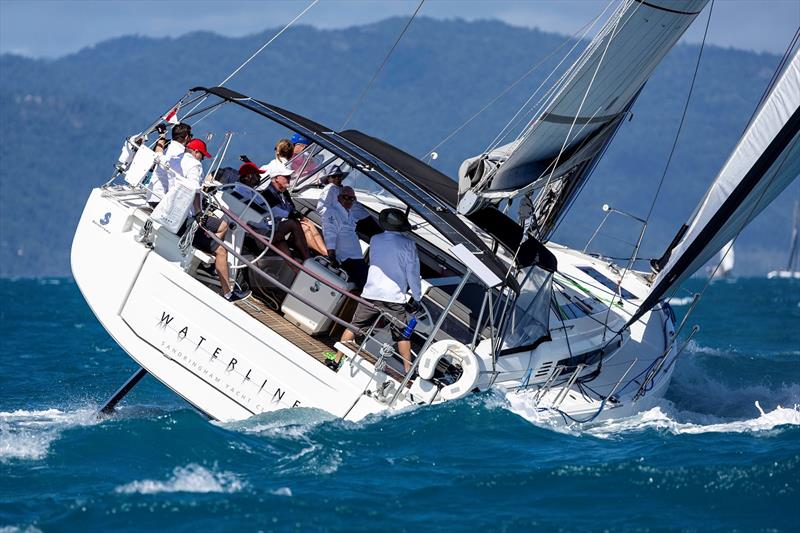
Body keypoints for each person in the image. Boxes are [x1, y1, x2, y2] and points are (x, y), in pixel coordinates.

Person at [327, 208, 421, 373]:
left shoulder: (375, 239)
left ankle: (336, 360)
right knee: (402, 336)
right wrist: (417, 297)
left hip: (371, 293)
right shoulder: (408, 245)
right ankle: (408, 372)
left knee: (355, 326)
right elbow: (412, 272)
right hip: (394, 297)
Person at [180, 138, 250, 302]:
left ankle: (211, 251)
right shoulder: (195, 166)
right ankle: (228, 293)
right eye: (202, 156)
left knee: (222, 225)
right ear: (196, 153)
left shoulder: (177, 158)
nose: (202, 159)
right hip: (187, 219)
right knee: (221, 250)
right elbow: (195, 192)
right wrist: (198, 212)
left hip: (177, 212)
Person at [260, 159, 313, 266]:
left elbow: (291, 209)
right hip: (268, 231)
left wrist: (292, 214)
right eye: (286, 177)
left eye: (289, 177)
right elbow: (276, 212)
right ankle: (308, 258)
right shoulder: (267, 194)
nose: (289, 179)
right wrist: (291, 215)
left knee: (306, 225)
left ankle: (318, 257)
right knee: (296, 224)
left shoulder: (284, 193)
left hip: (279, 229)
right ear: (276, 179)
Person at [322, 186, 369, 289]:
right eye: (345, 197)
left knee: (368, 283)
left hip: (356, 258)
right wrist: (332, 256)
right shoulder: (332, 212)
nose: (348, 200)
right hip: (347, 258)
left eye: (351, 198)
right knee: (366, 286)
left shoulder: (350, 213)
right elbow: (330, 233)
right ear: (338, 197)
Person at [147, 122, 192, 207]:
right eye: (191, 135)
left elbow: (158, 152)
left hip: (151, 196)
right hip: (163, 201)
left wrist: (162, 135)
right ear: (186, 137)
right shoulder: (182, 155)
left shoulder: (167, 147)